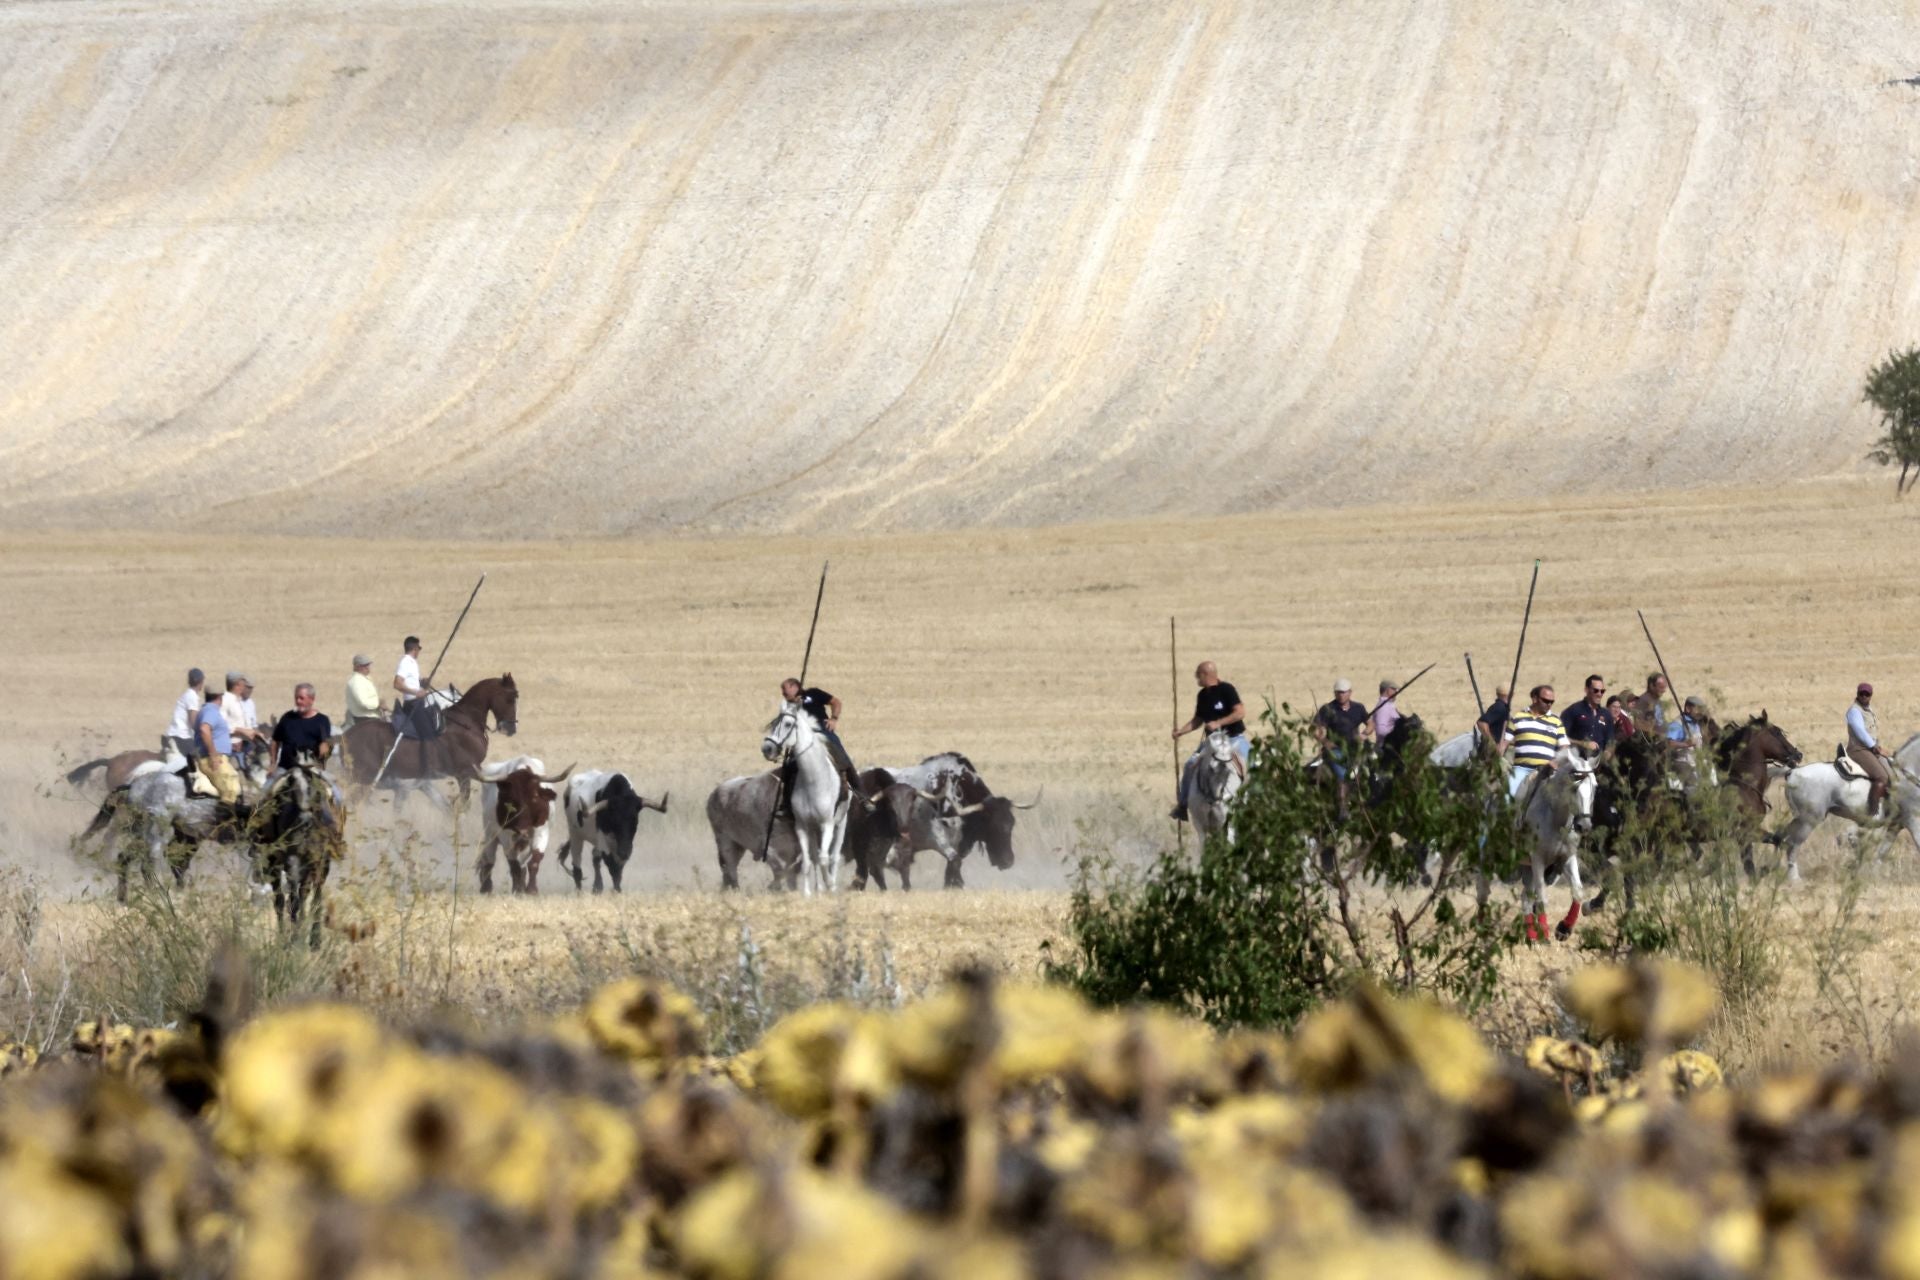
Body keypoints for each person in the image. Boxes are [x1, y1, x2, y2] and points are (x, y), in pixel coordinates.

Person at [1169, 661, 1250, 822]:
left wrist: (1218, 723)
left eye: (1197, 675)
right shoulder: (1202, 695)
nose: (1196, 679)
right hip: (1212, 742)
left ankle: (1255, 802)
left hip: (1233, 738)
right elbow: (1198, 720)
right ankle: (1183, 805)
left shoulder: (1227, 690)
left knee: (1254, 764)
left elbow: (1240, 712)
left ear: (1205, 674)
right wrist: (1181, 732)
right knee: (1190, 764)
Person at [777, 677, 863, 807]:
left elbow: (836, 702)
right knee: (788, 767)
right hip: (803, 737)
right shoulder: (789, 706)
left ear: (794, 686)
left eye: (784, 688)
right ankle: (786, 803)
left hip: (823, 730)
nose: (782, 692)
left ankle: (862, 795)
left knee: (843, 760)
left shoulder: (813, 693)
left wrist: (833, 719)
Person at [1313, 678, 1371, 820]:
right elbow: (1316, 730)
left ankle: (1364, 806)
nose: (1341, 695)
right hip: (1336, 751)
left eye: (1344, 692)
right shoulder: (1327, 709)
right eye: (1338, 692)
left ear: (1350, 692)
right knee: (1343, 776)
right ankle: (1343, 810)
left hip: (1355, 749)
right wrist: (1325, 742)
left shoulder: (1359, 708)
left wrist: (1364, 734)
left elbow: (1371, 724)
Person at [1505, 685, 1568, 803]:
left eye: (1552, 702)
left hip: (1546, 770)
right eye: (1546, 701)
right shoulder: (1518, 718)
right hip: (1521, 769)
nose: (1549, 704)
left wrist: (1556, 761)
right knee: (1507, 798)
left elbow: (1564, 746)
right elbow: (1504, 743)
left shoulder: (1556, 721)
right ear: (1535, 699)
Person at [1847, 682, 1892, 819]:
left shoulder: (1869, 710)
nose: (1864, 696)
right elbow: (1859, 731)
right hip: (1858, 749)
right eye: (1862, 693)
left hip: (1872, 749)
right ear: (1857, 694)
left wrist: (1878, 747)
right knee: (1882, 776)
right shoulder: (1854, 711)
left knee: (1893, 775)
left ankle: (1889, 811)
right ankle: (1871, 813)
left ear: (1871, 696)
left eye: (1867, 694)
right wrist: (1874, 746)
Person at [194, 687, 241, 804]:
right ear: (220, 697)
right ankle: (226, 815)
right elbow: (204, 729)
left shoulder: (207, 710)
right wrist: (213, 755)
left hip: (214, 757)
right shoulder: (211, 711)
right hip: (213, 759)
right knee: (231, 789)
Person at [1560, 674, 1614, 757]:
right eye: (1596, 690)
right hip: (1577, 760)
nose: (1599, 694)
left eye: (1602, 691)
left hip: (1599, 761)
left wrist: (1608, 751)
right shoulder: (1574, 710)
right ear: (1586, 690)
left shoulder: (1606, 714)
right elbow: (1561, 737)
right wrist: (1583, 744)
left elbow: (1610, 740)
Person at [392, 636, 434, 738]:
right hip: (413, 704)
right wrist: (416, 693)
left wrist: (423, 682)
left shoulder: (412, 662)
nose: (419, 651)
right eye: (419, 649)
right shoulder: (405, 662)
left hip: (418, 702)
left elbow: (413, 683)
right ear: (415, 649)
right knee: (429, 735)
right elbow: (397, 684)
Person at [220, 672, 264, 769]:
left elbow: (246, 723)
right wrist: (242, 731)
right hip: (229, 748)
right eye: (243, 684)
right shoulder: (225, 700)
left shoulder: (238, 701)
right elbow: (221, 726)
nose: (245, 687)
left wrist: (255, 733)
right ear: (237, 685)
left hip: (242, 746)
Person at [164, 668, 206, 758]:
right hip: (181, 736)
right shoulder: (192, 696)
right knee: (199, 759)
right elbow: (193, 722)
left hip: (176, 734)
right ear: (201, 682)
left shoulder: (187, 694)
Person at [344, 654, 383, 731]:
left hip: (371, 718)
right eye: (364, 665)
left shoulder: (364, 679)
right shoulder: (356, 682)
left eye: (368, 665)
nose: (368, 667)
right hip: (364, 720)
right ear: (357, 667)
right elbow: (364, 703)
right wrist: (378, 704)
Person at [1475, 684, 1511, 755]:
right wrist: (1492, 744)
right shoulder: (1500, 707)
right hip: (1492, 755)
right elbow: (1482, 723)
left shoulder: (1502, 707)